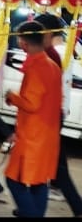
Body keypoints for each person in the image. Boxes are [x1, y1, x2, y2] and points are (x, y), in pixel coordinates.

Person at [4, 20, 62, 217]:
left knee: (14, 180)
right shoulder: (52, 65)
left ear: (23, 43)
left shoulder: (37, 68)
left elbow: (32, 104)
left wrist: (12, 96)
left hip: (32, 138)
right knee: (38, 182)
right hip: (48, 136)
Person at [33, 13, 82, 215]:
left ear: (46, 32)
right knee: (51, 165)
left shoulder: (54, 54)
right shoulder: (65, 50)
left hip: (50, 114)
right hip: (56, 111)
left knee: (53, 166)